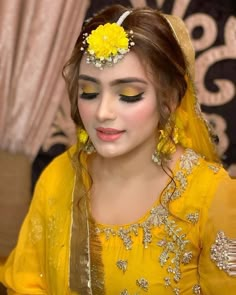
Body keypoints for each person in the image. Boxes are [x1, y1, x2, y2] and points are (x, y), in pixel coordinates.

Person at [1, 4, 236, 295]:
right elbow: (26, 284)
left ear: (169, 100)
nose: (102, 112)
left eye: (128, 95)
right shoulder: (61, 175)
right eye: (89, 92)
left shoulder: (211, 195)